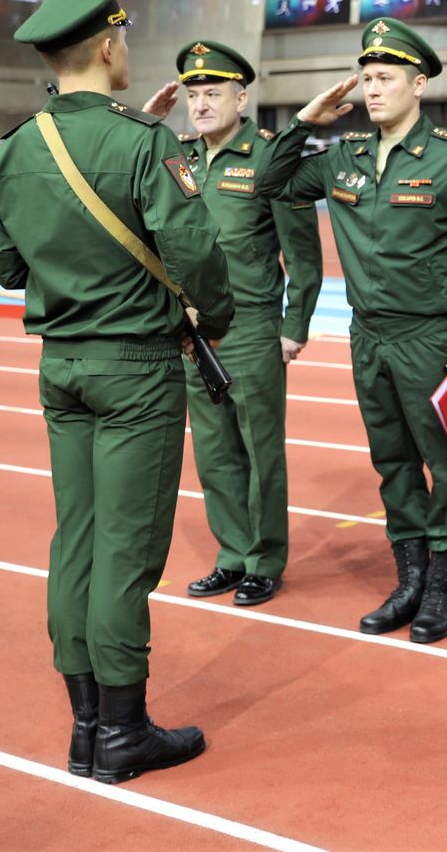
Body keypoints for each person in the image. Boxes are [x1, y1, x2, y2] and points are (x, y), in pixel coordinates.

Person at [0, 0, 234, 784]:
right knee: (126, 549)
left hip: (62, 366)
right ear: (105, 45)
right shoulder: (142, 141)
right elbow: (195, 252)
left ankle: (86, 724)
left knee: (78, 542)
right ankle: (123, 733)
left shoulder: (14, 149)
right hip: (135, 369)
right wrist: (215, 318)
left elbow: (7, 267)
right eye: (122, 36)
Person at [253, 17, 447, 644]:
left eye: (386, 78)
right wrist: (304, 122)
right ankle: (410, 582)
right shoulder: (345, 156)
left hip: (431, 338)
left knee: (444, 464)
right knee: (392, 463)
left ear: (418, 84)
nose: (372, 89)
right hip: (367, 337)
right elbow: (270, 182)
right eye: (366, 79)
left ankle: (442, 590)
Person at [150, 40, 323, 607]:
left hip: (251, 329)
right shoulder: (177, 157)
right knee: (214, 452)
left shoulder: (270, 158)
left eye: (213, 93)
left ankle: (265, 560)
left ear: (240, 99)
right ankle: (232, 554)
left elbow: (303, 254)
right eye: (193, 95)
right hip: (193, 332)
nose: (201, 105)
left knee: (260, 451)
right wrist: (142, 121)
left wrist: (295, 324)